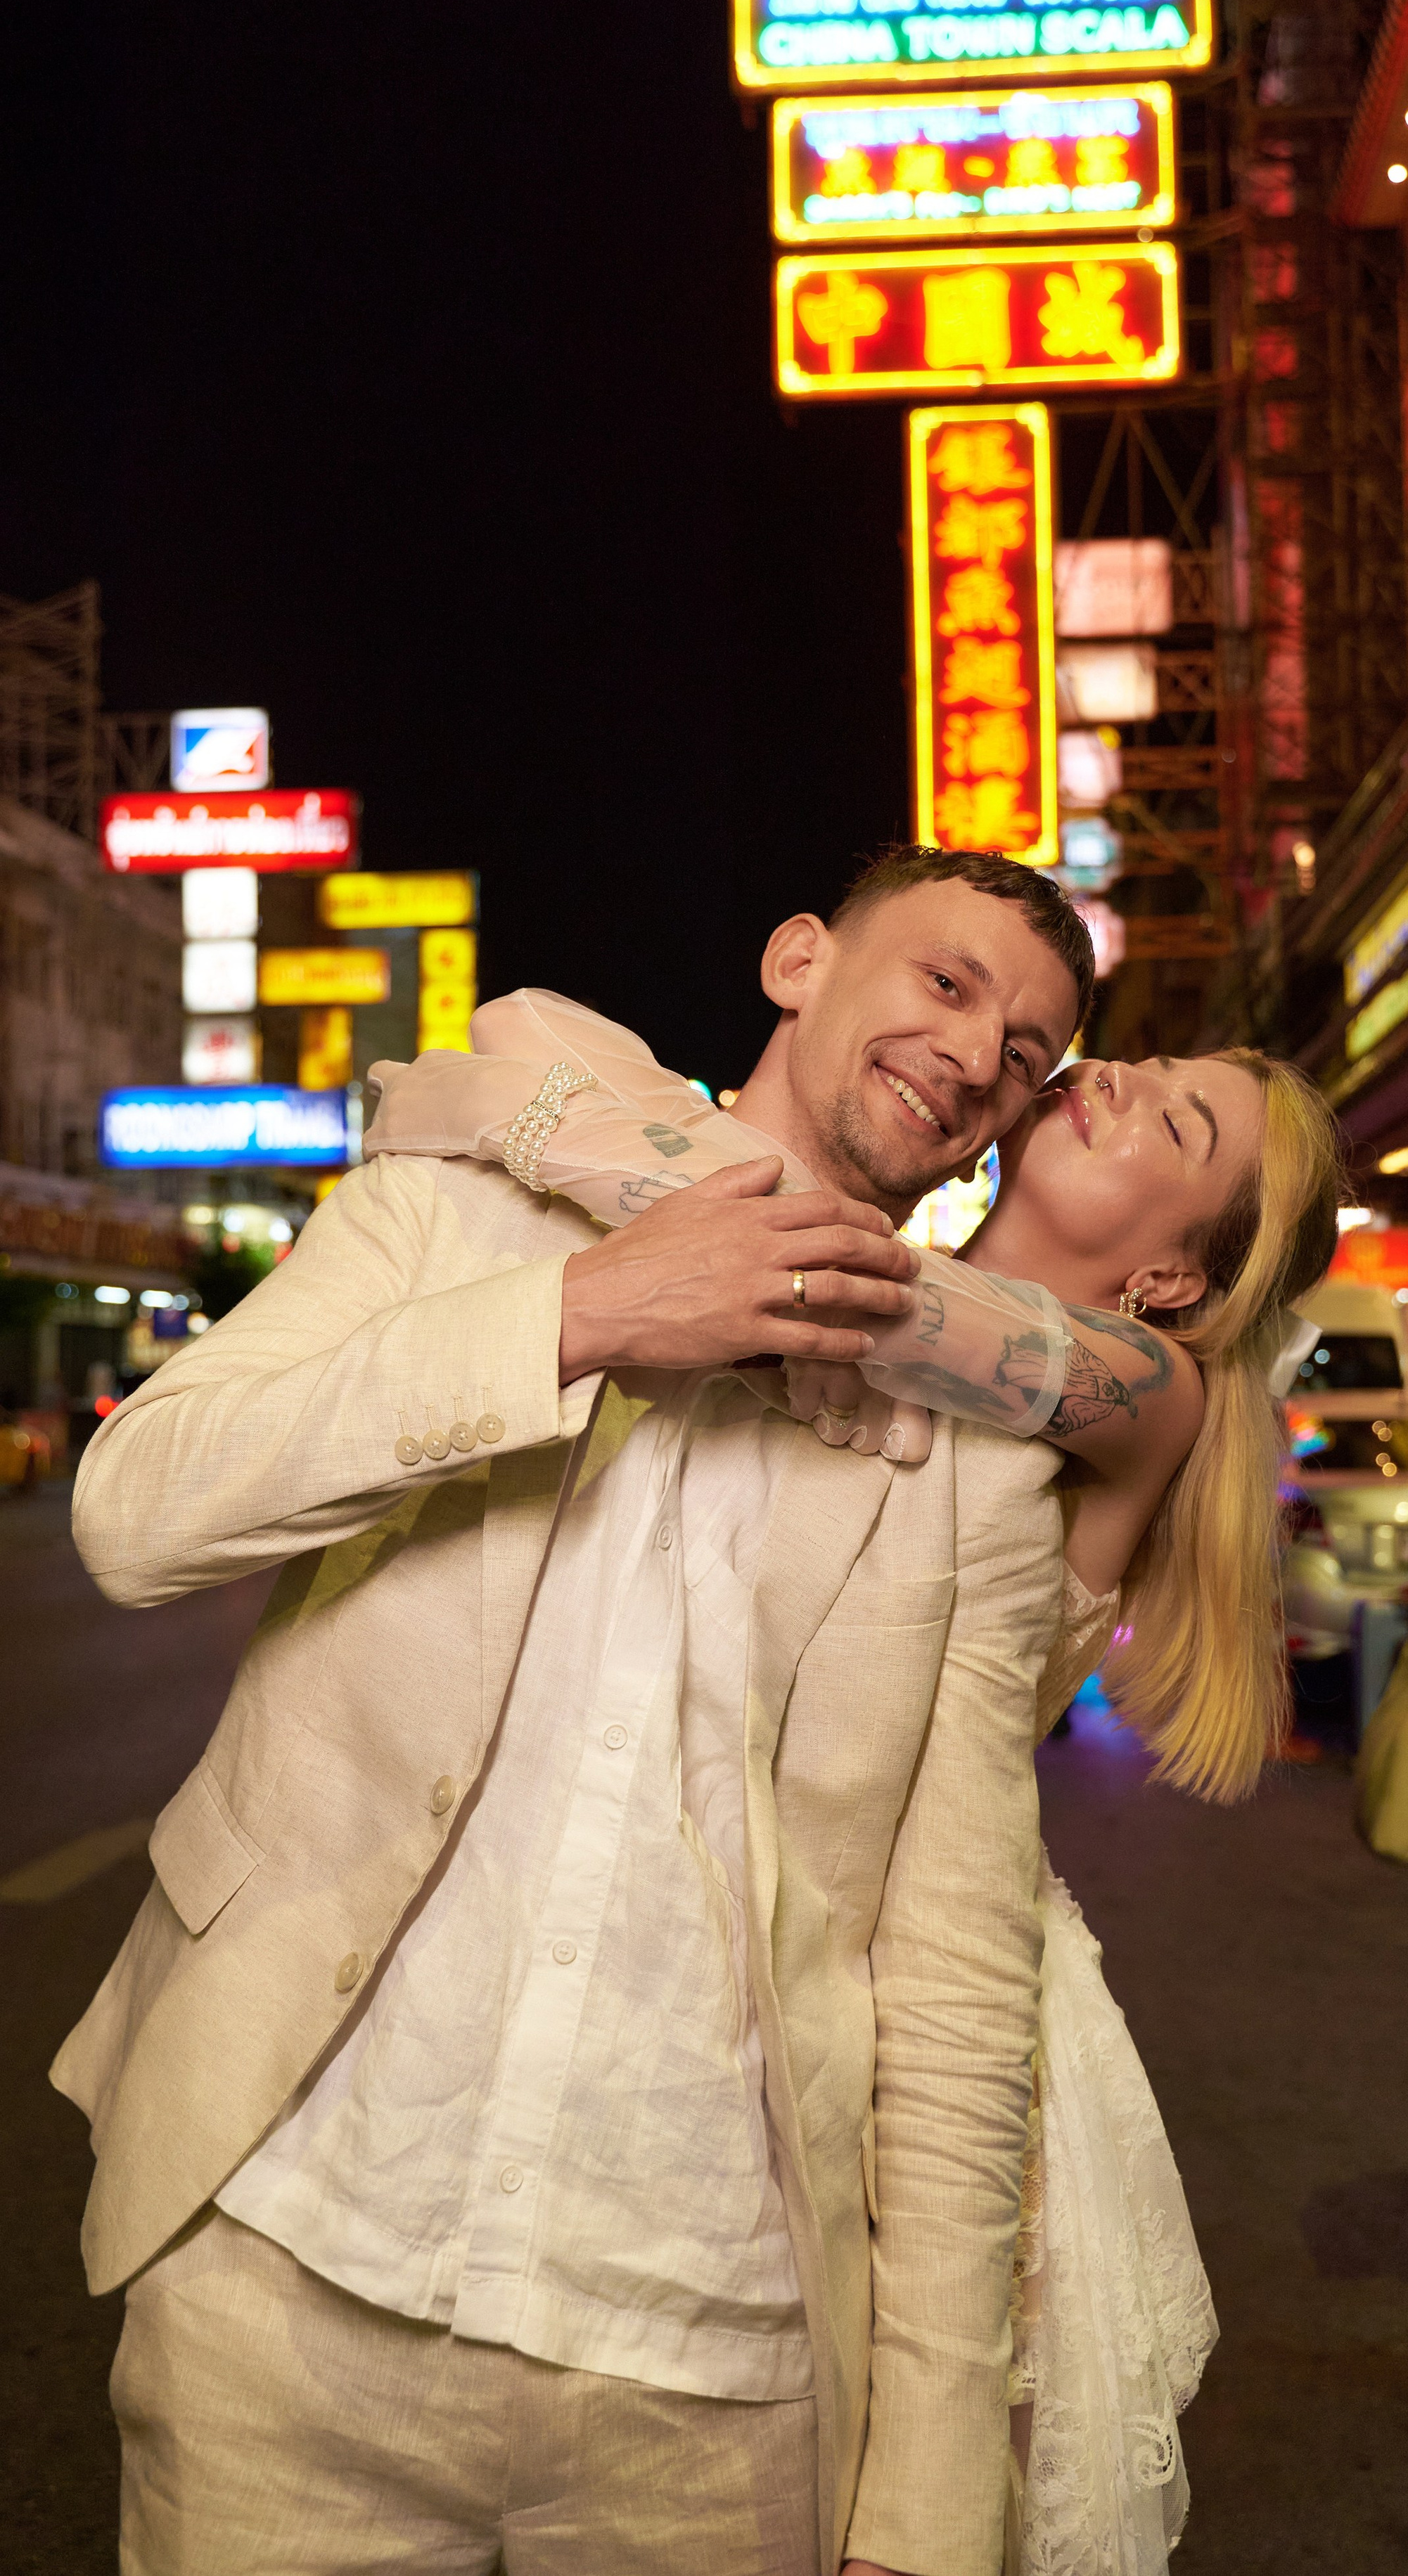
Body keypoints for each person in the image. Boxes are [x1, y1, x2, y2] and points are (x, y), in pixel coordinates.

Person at [63, 849, 1096, 2576]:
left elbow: (952, 1980)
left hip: (712, 2377)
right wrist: (588, 1313)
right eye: (945, 981)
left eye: (1027, 1048)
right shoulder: (460, 1212)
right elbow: (140, 1508)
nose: (977, 1050)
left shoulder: (968, 1453)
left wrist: (926, 2498)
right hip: (287, 2272)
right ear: (796, 957)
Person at [361, 863, 1345, 2569]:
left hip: (928, 2026)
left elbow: (868, 1302)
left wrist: (502, 1102)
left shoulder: (1138, 1393)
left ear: (1177, 1283)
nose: (1106, 1073)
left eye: (1170, 1125)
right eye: (1129, 1059)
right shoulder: (868, 1267)